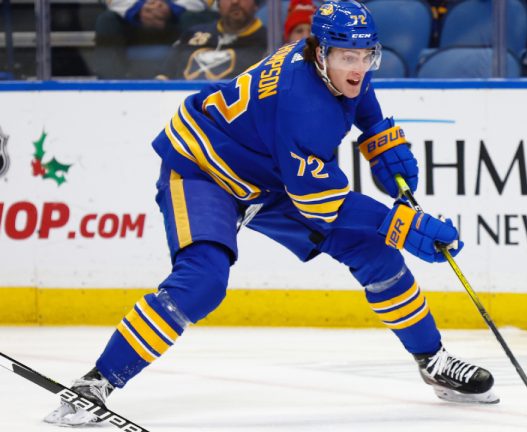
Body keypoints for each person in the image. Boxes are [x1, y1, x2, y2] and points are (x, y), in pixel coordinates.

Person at [44, 1, 497, 427]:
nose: (358, 68)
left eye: (367, 56)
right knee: (203, 281)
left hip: (269, 171)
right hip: (205, 168)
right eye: (347, 58)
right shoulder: (306, 105)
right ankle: (94, 384)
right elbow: (320, 202)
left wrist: (379, 135)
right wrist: (404, 223)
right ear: (320, 53)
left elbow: (360, 96)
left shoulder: (331, 62)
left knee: (374, 254)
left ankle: (433, 361)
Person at [92, 0, 210, 78]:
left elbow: (205, 3)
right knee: (107, 20)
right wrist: (138, 9)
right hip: (133, 22)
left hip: (180, 20)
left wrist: (172, 8)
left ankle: (193, 83)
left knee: (192, 20)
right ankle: (110, 87)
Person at [156, 0, 268, 80]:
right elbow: (164, 76)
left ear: (256, 4)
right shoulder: (193, 34)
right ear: (218, 4)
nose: (235, 2)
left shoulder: (268, 40)